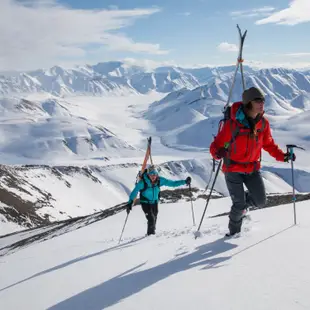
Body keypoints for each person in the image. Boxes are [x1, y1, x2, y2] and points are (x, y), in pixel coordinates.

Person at [210, 86, 296, 236]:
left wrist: (283, 157)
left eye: (262, 100)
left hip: (252, 169)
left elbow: (268, 144)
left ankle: (243, 206)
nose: (262, 103)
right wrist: (218, 152)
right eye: (257, 100)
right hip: (233, 170)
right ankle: (233, 234)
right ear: (249, 103)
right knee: (239, 205)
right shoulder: (232, 124)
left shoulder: (263, 124)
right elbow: (215, 146)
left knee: (261, 201)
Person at [127, 165, 191, 235]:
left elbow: (172, 183)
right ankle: (150, 237)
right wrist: (130, 203)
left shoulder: (159, 180)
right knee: (151, 219)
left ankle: (151, 234)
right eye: (151, 174)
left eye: (155, 174)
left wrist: (185, 181)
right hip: (145, 203)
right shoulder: (142, 183)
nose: (153, 176)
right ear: (148, 174)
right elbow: (134, 192)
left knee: (154, 218)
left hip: (155, 202)